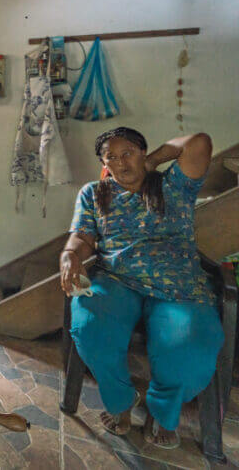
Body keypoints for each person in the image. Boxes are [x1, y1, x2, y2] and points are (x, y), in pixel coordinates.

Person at [60, 127, 222, 449]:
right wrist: (69, 256)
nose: (121, 163)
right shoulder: (94, 193)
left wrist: (154, 162)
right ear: (104, 163)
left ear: (143, 153)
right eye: (112, 158)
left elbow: (199, 142)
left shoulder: (173, 185)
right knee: (90, 324)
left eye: (128, 154)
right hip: (119, 280)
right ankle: (121, 401)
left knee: (191, 342)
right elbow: (82, 237)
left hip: (179, 285)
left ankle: (163, 410)